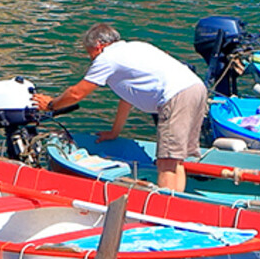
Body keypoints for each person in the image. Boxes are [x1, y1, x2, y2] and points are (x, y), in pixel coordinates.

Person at [33, 22, 209, 192]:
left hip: (176, 96)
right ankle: (175, 200)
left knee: (166, 162)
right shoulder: (135, 48)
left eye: (90, 53)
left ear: (98, 46)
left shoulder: (106, 58)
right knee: (176, 160)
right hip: (196, 89)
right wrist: (115, 132)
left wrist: (50, 104)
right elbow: (128, 98)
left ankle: (166, 210)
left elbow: (77, 93)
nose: (91, 58)